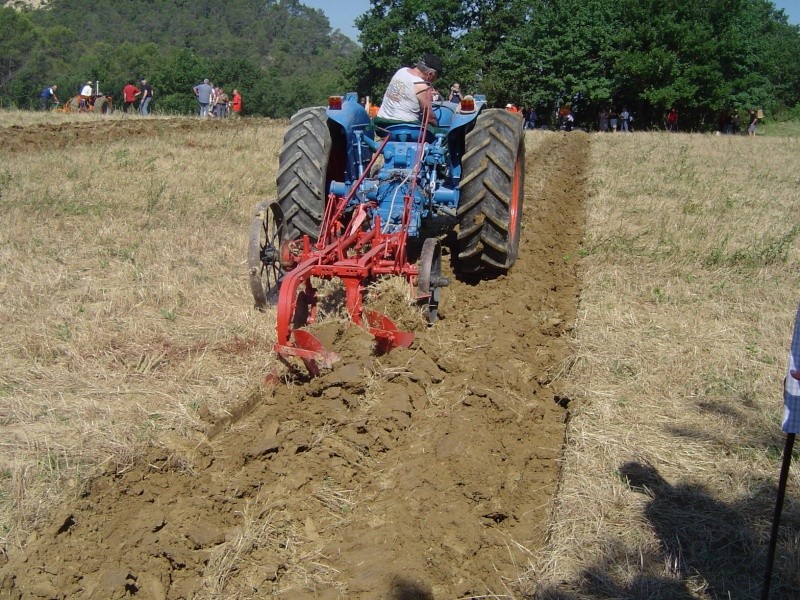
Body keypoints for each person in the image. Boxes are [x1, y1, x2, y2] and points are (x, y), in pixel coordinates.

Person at [377, 53, 442, 126]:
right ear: (430, 74)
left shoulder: (401, 71)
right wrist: (436, 125)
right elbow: (429, 118)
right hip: (404, 127)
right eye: (435, 78)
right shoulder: (422, 86)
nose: (433, 81)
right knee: (441, 134)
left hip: (381, 123)